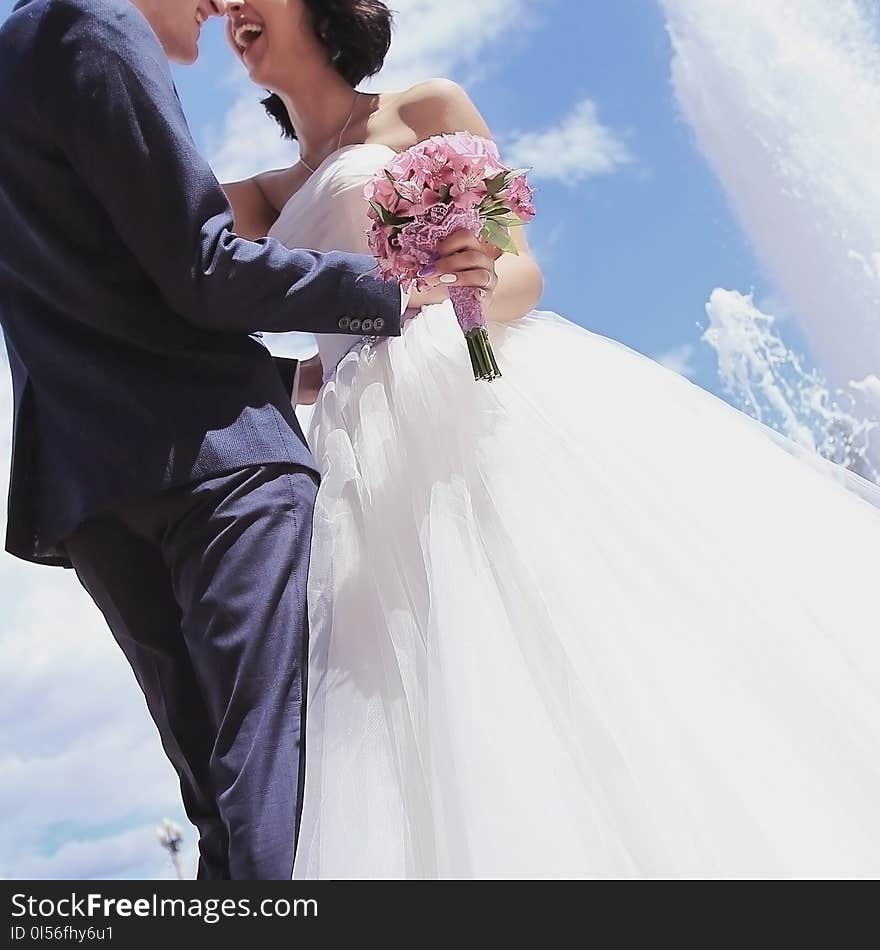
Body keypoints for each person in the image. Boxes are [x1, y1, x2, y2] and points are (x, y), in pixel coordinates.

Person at [224, 0, 880, 880]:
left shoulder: (423, 110)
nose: (230, 8)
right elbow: (157, 229)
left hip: (464, 391)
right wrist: (306, 380)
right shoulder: (262, 196)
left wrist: (451, 294)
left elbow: (522, 274)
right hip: (355, 459)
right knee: (410, 694)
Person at [0, 0, 496, 880]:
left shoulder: (18, 53)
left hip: (90, 487)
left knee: (220, 807)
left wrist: (295, 376)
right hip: (219, 467)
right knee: (275, 776)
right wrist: (392, 294)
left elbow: (114, 281)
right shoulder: (95, 25)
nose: (220, 5)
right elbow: (199, 269)